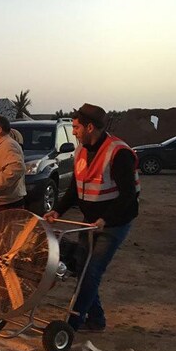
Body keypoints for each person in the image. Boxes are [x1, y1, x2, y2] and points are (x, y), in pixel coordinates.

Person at [44, 103, 139, 333]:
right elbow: (76, 188)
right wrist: (58, 210)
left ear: (89, 127)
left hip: (113, 224)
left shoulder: (118, 153)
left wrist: (105, 219)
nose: (73, 131)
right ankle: (96, 320)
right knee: (84, 268)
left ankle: (71, 325)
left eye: (76, 127)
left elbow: (129, 196)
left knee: (91, 271)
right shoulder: (81, 151)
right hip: (90, 222)